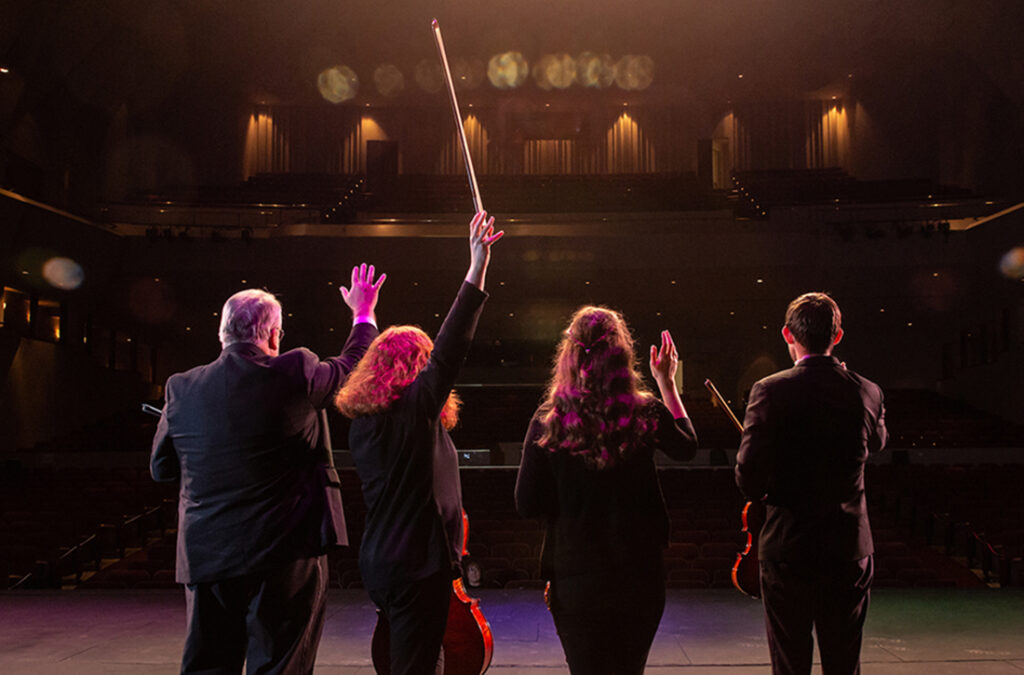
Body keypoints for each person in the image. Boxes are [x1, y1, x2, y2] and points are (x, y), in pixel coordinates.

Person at [150, 263, 386, 674]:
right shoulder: (294, 370)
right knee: (281, 664)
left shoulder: (180, 388)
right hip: (284, 552)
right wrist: (362, 314)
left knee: (208, 665)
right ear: (273, 334)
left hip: (208, 554)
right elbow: (351, 368)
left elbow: (162, 467)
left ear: (222, 333)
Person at [335, 211, 502, 675]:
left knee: (408, 659)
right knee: (415, 664)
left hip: (379, 563)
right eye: (424, 364)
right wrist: (476, 265)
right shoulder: (413, 412)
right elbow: (453, 345)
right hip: (416, 568)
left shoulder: (364, 422)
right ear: (416, 369)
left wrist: (363, 316)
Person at [514, 307, 698, 675]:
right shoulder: (645, 411)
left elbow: (526, 503)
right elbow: (688, 446)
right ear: (622, 354)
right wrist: (667, 383)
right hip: (639, 575)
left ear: (570, 355)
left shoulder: (548, 420)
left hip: (576, 575)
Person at [735, 292, 887, 675]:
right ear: (837, 336)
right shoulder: (867, 391)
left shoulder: (768, 390)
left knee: (790, 664)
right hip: (848, 548)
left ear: (788, 334)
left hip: (789, 550)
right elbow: (879, 443)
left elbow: (747, 481)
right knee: (843, 663)